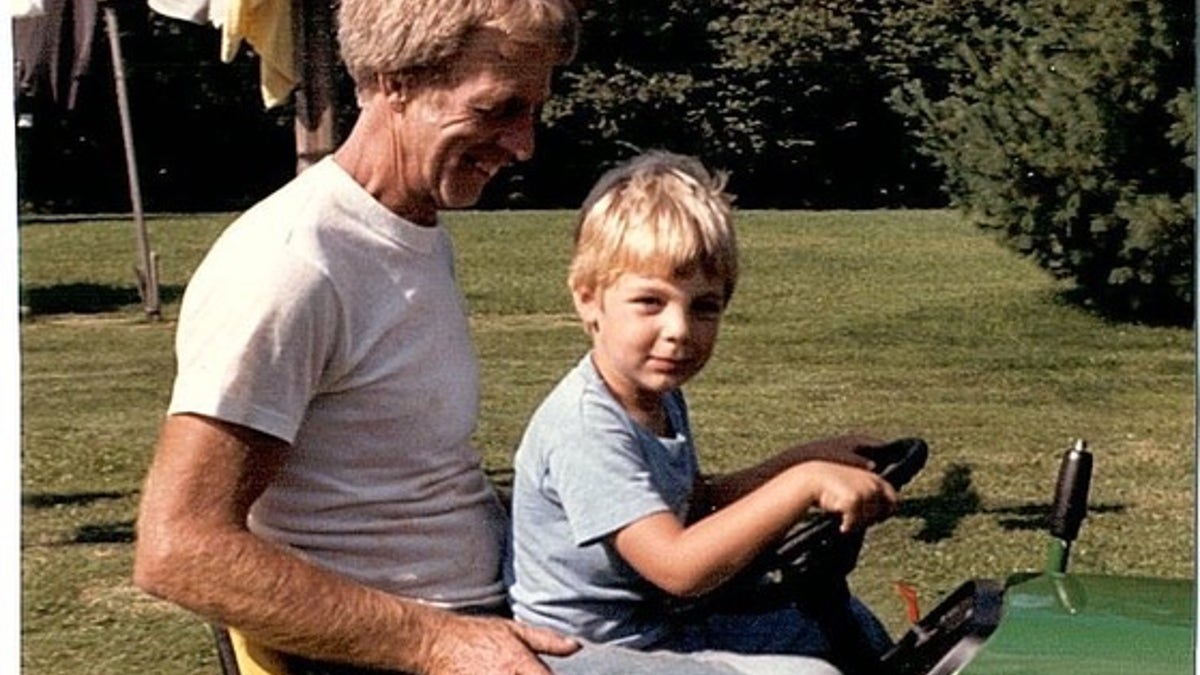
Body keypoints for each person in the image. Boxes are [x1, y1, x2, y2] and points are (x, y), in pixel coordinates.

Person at [129, 2, 829, 673]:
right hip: (409, 651)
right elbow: (179, 549)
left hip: (493, 619)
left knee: (819, 623)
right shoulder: (292, 263)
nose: (524, 145)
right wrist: (438, 642)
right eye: (498, 108)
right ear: (394, 81)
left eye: (532, 111)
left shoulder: (409, 236)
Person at [507, 151, 900, 671]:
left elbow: (695, 505)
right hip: (584, 656)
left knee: (838, 622)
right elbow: (678, 566)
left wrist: (797, 462)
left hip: (662, 627)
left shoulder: (657, 397)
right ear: (588, 300)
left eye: (704, 306)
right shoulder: (585, 427)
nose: (679, 330)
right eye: (650, 302)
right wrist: (802, 482)